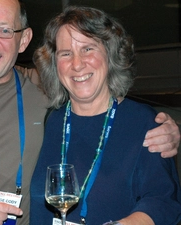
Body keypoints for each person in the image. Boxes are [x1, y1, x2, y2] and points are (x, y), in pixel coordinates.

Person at [0, 0, 181, 224]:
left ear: (24, 38)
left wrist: (163, 127)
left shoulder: (42, 93)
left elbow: (162, 195)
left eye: (4, 30)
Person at [30, 6, 181, 225]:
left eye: (88, 49)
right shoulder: (54, 120)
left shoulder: (143, 122)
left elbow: (164, 201)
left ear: (110, 54)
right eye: (66, 53)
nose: (77, 64)